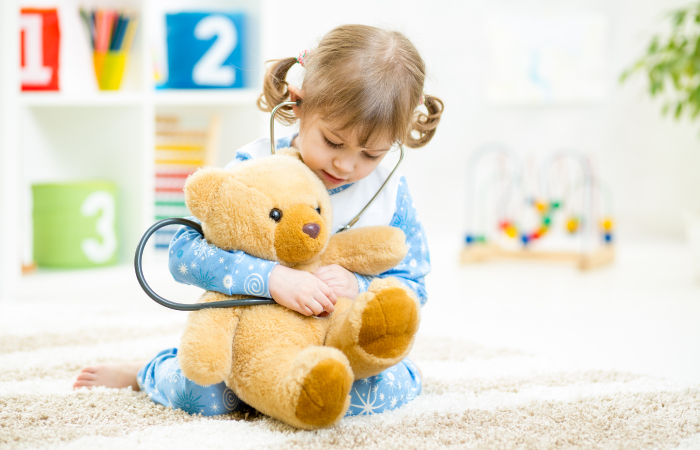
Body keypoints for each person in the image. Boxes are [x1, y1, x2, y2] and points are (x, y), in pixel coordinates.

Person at [74, 24, 443, 417]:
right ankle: (149, 371)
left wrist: (359, 284)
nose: (346, 164)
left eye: (371, 154)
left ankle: (298, 388)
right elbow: (183, 254)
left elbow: (413, 285)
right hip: (254, 337)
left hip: (333, 339)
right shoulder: (255, 169)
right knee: (206, 397)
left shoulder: (389, 192)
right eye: (333, 141)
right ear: (298, 104)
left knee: (375, 391)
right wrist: (270, 279)